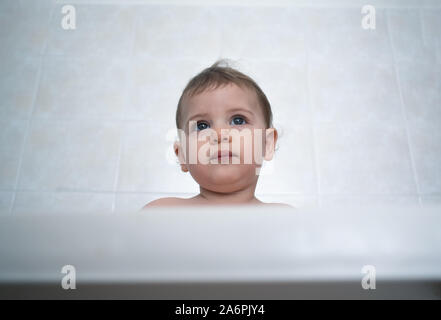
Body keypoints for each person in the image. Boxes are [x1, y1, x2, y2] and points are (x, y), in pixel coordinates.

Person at [143, 59, 292, 208]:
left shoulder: (283, 219)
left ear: (267, 144)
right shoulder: (162, 213)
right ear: (182, 154)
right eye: (202, 126)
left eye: (238, 120)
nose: (219, 134)